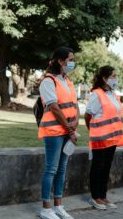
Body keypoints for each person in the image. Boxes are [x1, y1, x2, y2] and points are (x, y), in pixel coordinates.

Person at [38, 46, 78, 219]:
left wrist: (75, 121)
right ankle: (45, 208)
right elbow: (54, 107)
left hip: (67, 131)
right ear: (61, 61)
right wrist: (70, 129)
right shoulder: (48, 81)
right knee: (51, 169)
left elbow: (74, 104)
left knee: (61, 169)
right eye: (70, 59)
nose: (72, 62)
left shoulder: (67, 81)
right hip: (54, 131)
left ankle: (58, 206)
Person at [84, 66, 123, 210]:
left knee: (106, 167)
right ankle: (95, 197)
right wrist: (93, 131)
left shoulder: (113, 95)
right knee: (98, 166)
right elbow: (88, 115)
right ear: (104, 78)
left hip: (112, 138)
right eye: (113, 76)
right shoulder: (97, 94)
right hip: (100, 138)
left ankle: (103, 196)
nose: (116, 78)